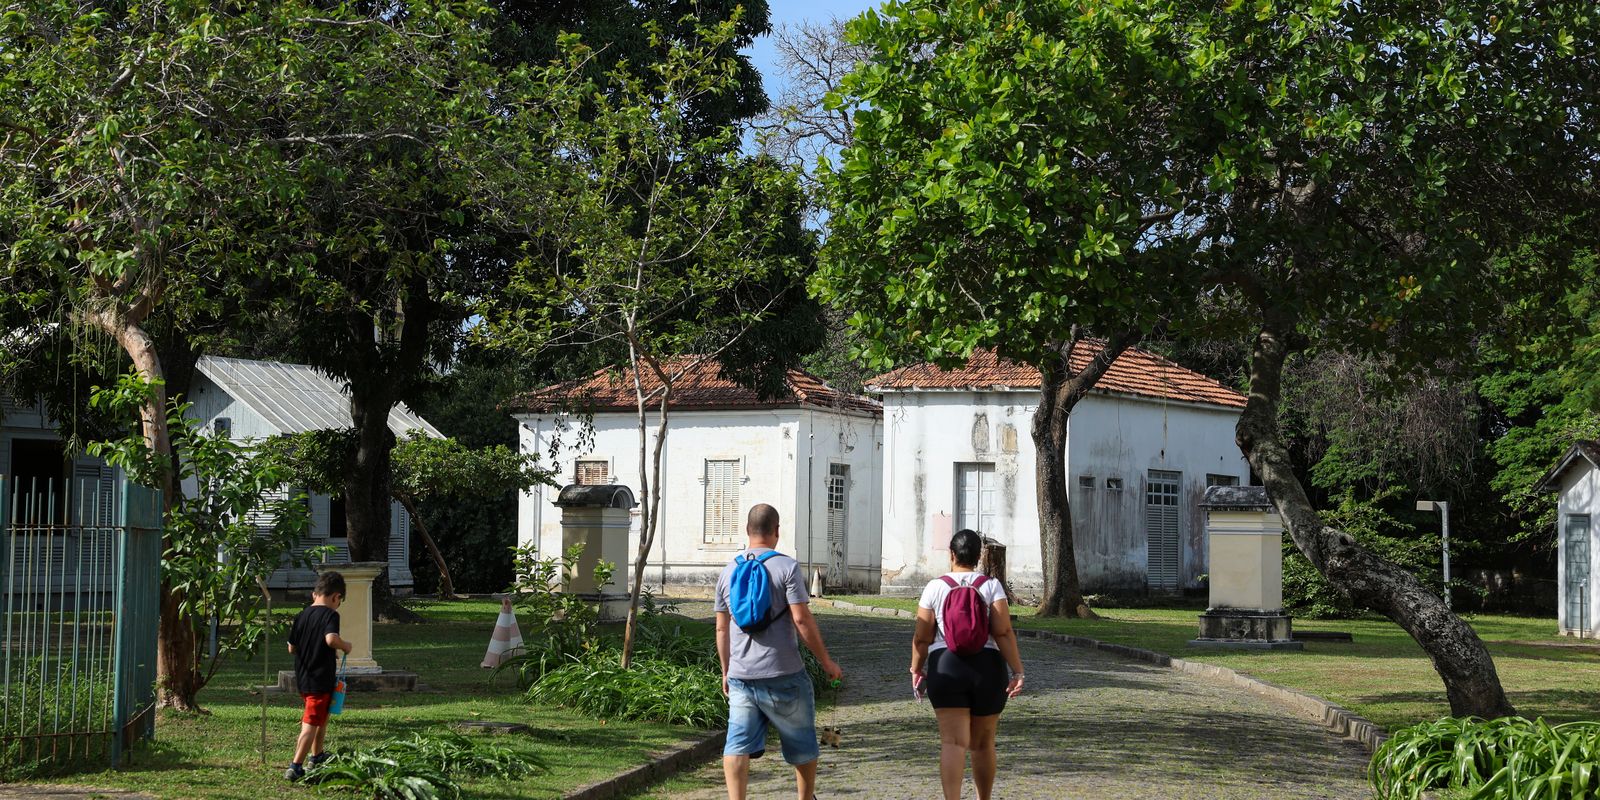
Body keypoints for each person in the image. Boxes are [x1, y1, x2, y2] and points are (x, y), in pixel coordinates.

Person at [715, 503, 844, 800]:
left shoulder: (727, 571)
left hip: (742, 677)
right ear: (776, 531)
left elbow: (721, 629)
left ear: (747, 531)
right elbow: (801, 619)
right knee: (802, 743)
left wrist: (726, 671)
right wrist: (826, 661)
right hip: (785, 673)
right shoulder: (786, 567)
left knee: (737, 743)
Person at [911, 529, 1025, 800]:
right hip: (988, 669)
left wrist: (916, 668)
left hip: (946, 667)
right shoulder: (991, 586)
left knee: (952, 743)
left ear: (951, 554)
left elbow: (921, 636)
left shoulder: (935, 587)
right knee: (983, 745)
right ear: (979, 556)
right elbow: (1003, 632)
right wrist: (1017, 670)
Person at [285, 571, 354, 781]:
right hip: (319, 677)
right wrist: (346, 646)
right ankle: (295, 766)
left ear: (315, 594)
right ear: (336, 597)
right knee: (311, 721)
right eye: (338, 602)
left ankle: (317, 756)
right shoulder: (331, 615)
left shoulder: (302, 615)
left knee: (321, 717)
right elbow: (331, 639)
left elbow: (291, 647)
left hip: (303, 676)